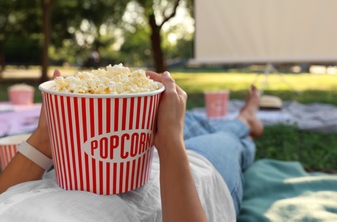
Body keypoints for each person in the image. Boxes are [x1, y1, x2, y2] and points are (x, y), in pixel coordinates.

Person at [0, 70, 263, 221]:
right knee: (227, 139)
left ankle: (240, 123)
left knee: (191, 119)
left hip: (135, 149)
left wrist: (46, 137)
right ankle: (245, 120)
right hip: (192, 175)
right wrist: (171, 142)